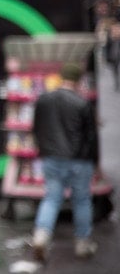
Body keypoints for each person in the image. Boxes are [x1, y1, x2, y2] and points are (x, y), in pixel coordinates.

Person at [30, 62, 99, 261]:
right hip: (79, 160)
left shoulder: (43, 100)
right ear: (78, 81)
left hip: (51, 157)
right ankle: (83, 243)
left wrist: (43, 151)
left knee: (51, 198)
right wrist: (95, 162)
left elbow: (36, 129)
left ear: (61, 78)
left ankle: (41, 236)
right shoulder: (82, 103)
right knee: (82, 200)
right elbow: (91, 137)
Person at [103, 21, 120, 90]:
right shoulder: (110, 38)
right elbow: (106, 48)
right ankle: (116, 83)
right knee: (114, 70)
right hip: (114, 56)